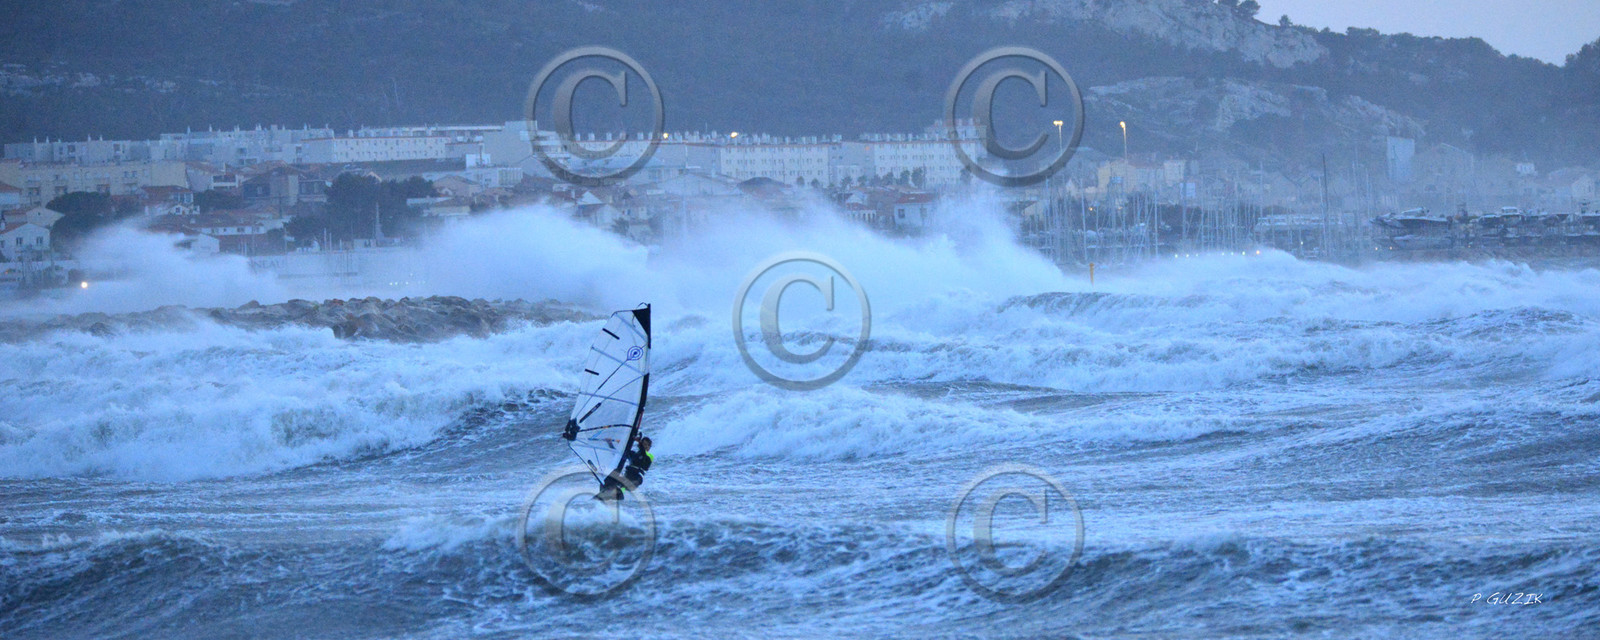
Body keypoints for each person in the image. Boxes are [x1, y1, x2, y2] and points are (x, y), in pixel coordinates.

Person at [598, 435, 653, 501]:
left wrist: (639, 443)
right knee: (611, 478)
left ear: (649, 447)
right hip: (627, 477)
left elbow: (643, 453)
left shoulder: (649, 456)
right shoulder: (634, 455)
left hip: (636, 479)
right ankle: (606, 492)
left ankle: (616, 495)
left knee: (624, 485)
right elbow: (619, 453)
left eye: (647, 445)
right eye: (644, 444)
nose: (645, 446)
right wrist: (610, 443)